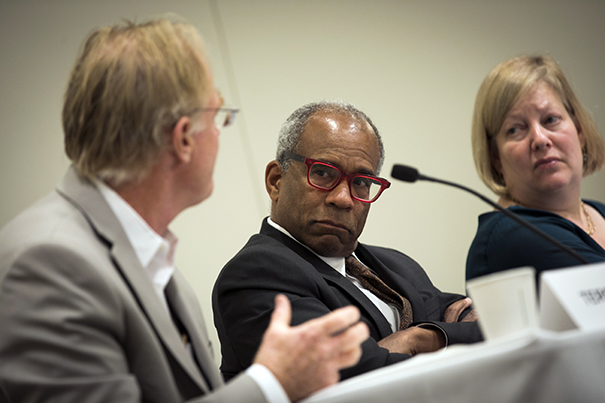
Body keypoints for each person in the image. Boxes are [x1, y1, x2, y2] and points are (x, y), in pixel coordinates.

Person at [0, 18, 370, 403]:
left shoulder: (159, 268)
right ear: (183, 139)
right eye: (217, 118)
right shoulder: (49, 262)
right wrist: (270, 385)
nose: (219, 134)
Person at [212, 100, 482, 382]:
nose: (342, 198)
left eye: (361, 181)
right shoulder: (255, 273)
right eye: (323, 173)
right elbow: (357, 378)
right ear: (276, 180)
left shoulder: (398, 265)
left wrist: (420, 338)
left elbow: (488, 320)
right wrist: (443, 340)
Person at [466, 54, 605, 283]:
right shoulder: (511, 233)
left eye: (551, 119)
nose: (540, 139)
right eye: (515, 129)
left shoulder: (597, 211)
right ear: (495, 158)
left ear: (579, 131)